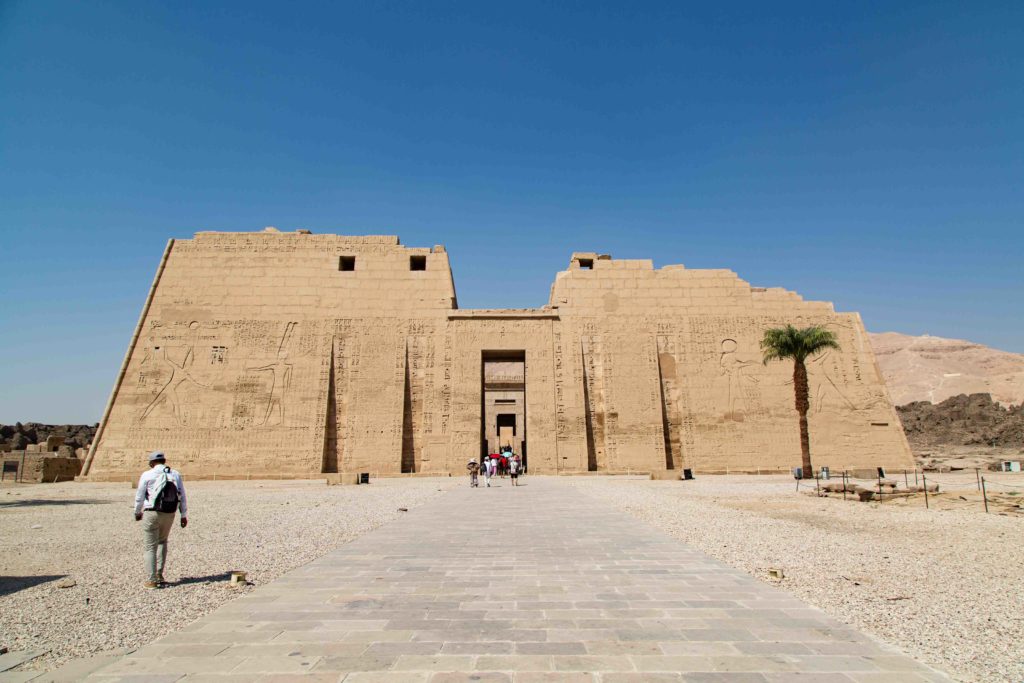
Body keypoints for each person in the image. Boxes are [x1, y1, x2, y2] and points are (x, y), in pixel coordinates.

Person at [134, 451, 188, 589]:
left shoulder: (147, 474)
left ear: (151, 463)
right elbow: (182, 494)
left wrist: (137, 512)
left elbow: (140, 496)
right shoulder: (174, 474)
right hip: (169, 512)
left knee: (150, 546)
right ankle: (159, 575)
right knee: (162, 542)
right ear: (164, 461)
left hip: (152, 512)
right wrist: (183, 515)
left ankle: (151, 579)